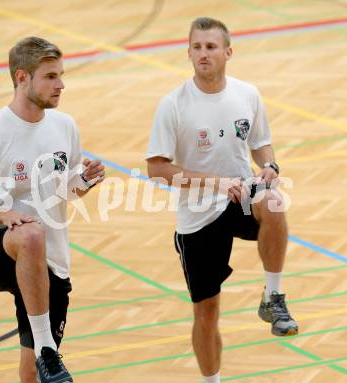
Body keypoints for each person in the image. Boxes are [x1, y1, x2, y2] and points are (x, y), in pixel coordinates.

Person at [146, 17, 298, 383]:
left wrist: (269, 165)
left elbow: (261, 143)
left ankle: (273, 298)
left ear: (228, 52)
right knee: (207, 311)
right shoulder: (174, 105)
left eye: (211, 47)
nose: (203, 54)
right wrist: (217, 184)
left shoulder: (247, 94)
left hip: (241, 197)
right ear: (188, 53)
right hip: (197, 215)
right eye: (196, 47)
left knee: (275, 202)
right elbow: (157, 169)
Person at [0, 36, 105, 383]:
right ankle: (47, 349)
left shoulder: (65, 126)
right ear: (22, 78)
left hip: (50, 262)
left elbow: (66, 191)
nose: (61, 84)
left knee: (32, 374)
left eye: (61, 75)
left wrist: (83, 181)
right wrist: (2, 215)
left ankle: (41, 352)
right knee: (32, 233)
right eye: (51, 76)